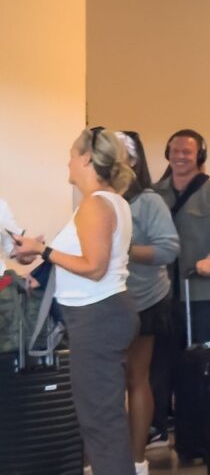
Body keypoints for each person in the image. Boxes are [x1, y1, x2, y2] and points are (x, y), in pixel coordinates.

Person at [10, 127, 139, 475]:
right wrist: (39, 254)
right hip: (102, 316)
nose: (67, 162)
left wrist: (44, 250)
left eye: (71, 154)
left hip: (98, 319)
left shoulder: (96, 204)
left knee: (101, 423)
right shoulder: (110, 202)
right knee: (101, 418)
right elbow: (86, 260)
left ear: (85, 159)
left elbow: (94, 267)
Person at [150, 128, 210, 445]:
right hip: (161, 295)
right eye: (175, 150)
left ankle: (203, 428)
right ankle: (159, 425)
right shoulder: (153, 194)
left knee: (201, 362)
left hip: (202, 297)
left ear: (199, 156)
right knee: (160, 365)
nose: (180, 156)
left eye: (187, 152)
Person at [118, 132, 180, 475]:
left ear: (132, 161)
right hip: (109, 302)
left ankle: (137, 458)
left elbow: (169, 249)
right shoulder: (101, 198)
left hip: (145, 301)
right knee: (110, 383)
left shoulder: (148, 201)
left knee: (136, 378)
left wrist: (122, 251)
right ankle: (114, 458)